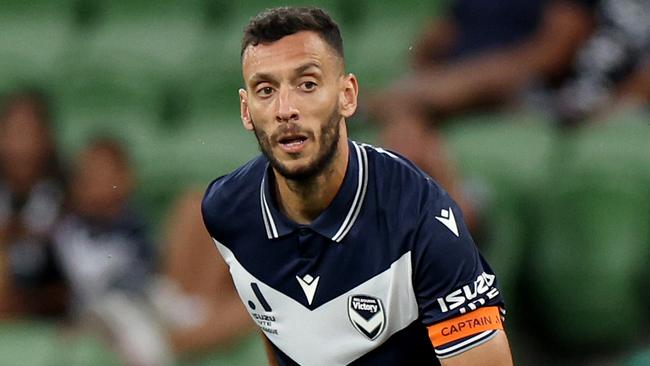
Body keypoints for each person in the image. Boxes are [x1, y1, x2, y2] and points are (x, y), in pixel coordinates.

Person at [201, 7, 512, 366]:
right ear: (246, 109)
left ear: (347, 95)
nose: (285, 109)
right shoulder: (227, 211)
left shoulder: (420, 218)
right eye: (266, 89)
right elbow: (282, 331)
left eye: (307, 85)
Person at [0, 89, 67, 318]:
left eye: (28, 133)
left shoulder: (66, 195)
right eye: (12, 133)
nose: (20, 146)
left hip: (46, 303)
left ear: (46, 137)